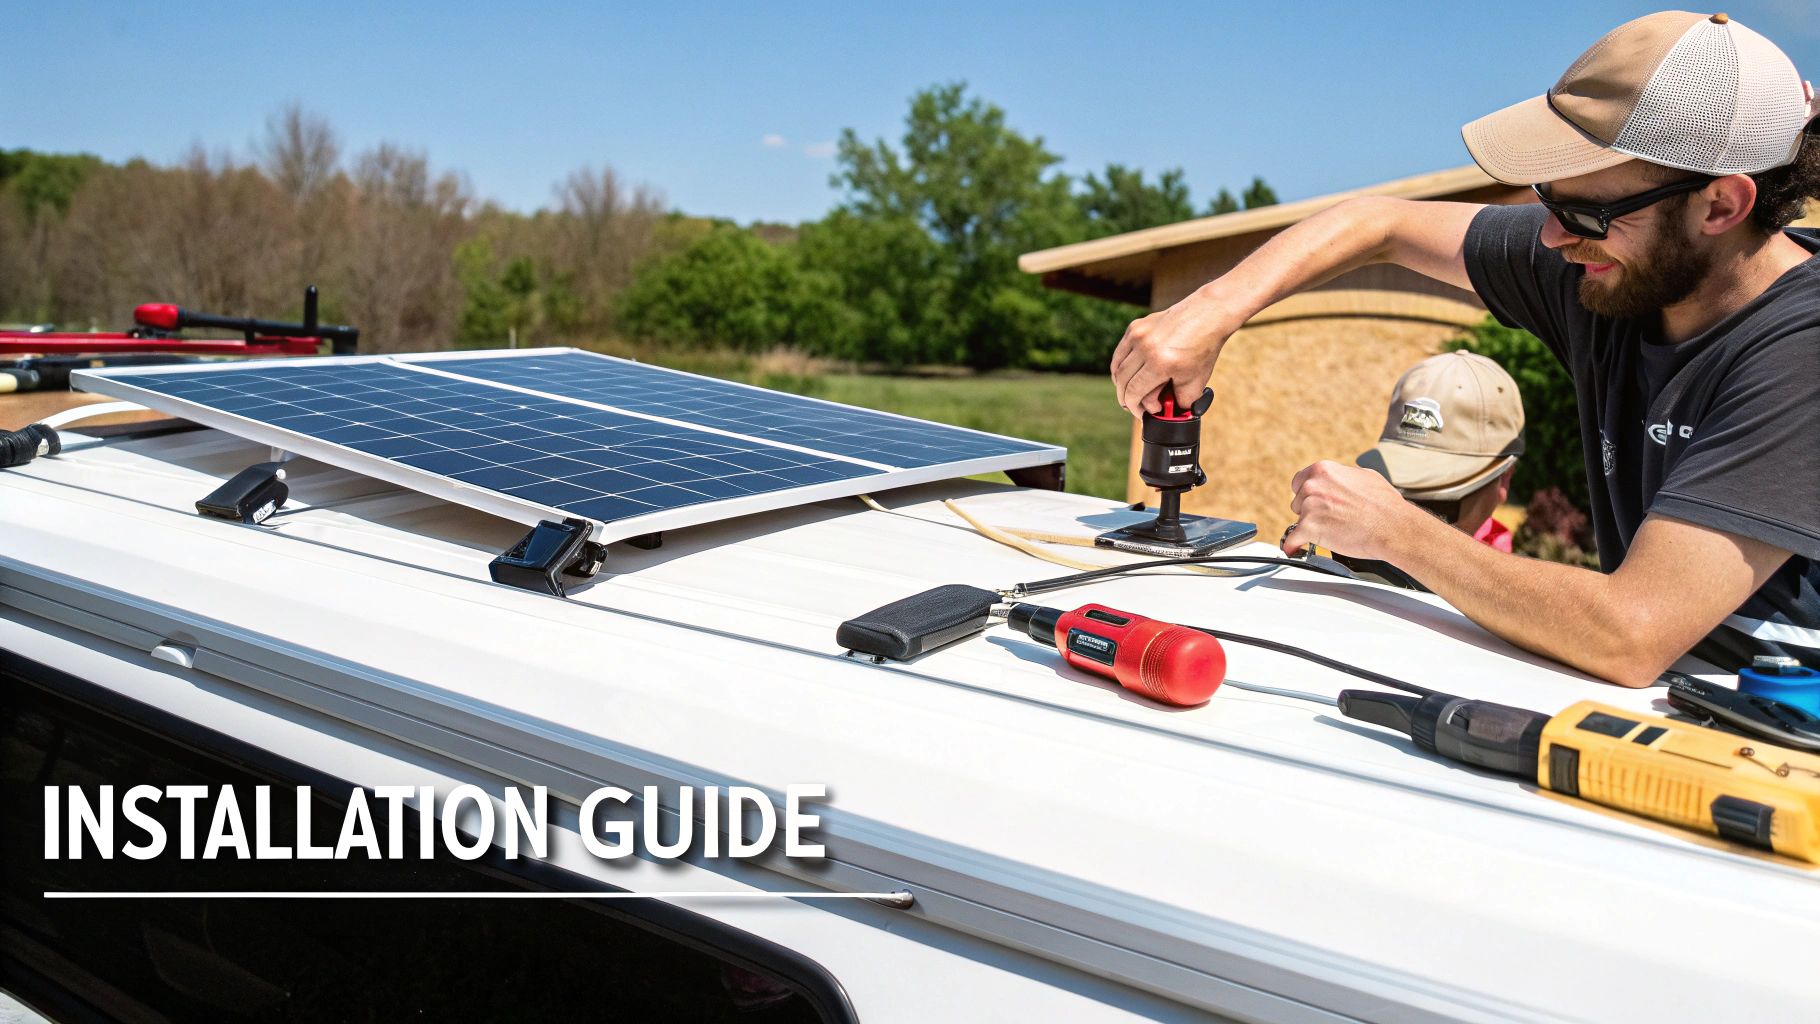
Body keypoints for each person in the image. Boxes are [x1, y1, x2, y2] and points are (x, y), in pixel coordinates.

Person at [1109, 11, 1820, 686]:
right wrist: (1209, 312)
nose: (1552, 238)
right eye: (1548, 200)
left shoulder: (1801, 352)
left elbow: (1630, 634)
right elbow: (1378, 223)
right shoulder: (1620, 267)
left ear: (1722, 205)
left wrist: (1395, 531)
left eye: (1583, 213)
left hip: (1775, 737)